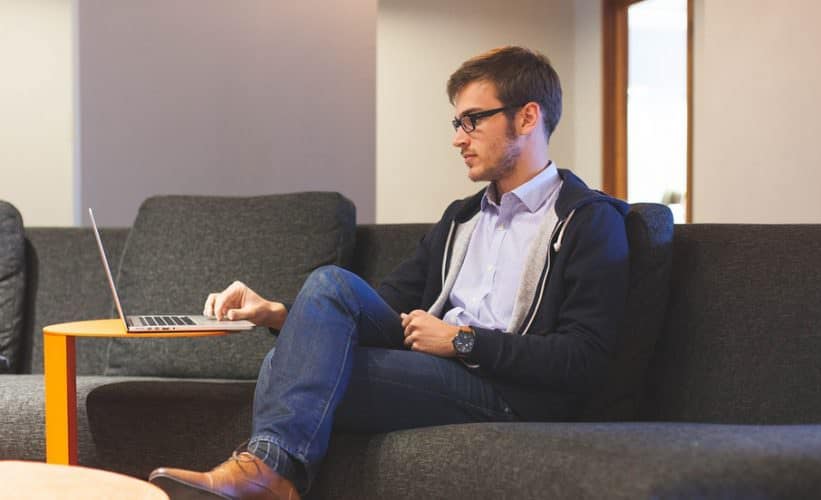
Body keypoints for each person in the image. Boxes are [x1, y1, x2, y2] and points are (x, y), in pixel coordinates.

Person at [148, 46, 630, 500]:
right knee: (328, 288)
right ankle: (272, 475)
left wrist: (461, 340)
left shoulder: (586, 220)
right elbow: (378, 303)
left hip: (510, 392)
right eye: (456, 122)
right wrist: (277, 314)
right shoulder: (462, 218)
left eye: (473, 120)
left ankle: (271, 474)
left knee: (287, 368)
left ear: (527, 116)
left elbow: (583, 358)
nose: (458, 137)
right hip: (440, 368)